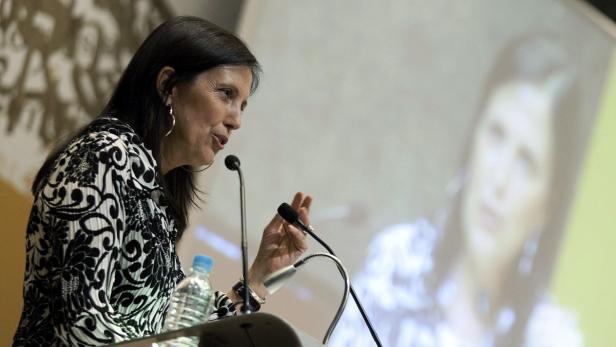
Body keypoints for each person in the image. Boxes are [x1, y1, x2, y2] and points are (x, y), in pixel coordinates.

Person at [12, 16, 313, 346]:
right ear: (168, 85)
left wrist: (258, 276)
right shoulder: (103, 156)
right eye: (225, 94)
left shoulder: (153, 195)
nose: (237, 120)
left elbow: (172, 333)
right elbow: (82, 325)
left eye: (242, 105)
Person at [330, 35, 585, 347]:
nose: (500, 180)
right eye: (496, 135)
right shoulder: (397, 263)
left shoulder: (551, 340)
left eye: (527, 161)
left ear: (549, 201)